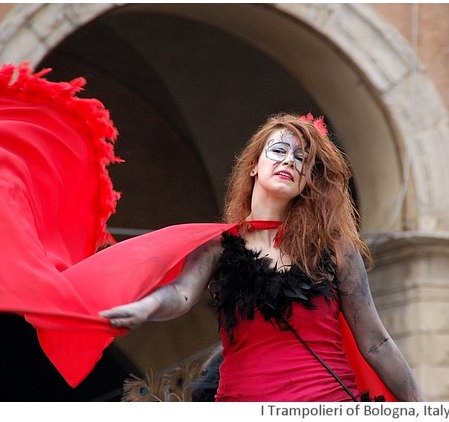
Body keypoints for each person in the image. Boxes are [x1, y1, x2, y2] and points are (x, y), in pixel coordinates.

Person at [100, 112, 425, 402]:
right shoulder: (218, 246)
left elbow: (377, 343)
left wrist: (423, 410)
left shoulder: (336, 249)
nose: (289, 161)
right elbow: (180, 294)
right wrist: (144, 307)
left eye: (301, 158)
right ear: (254, 165)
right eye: (279, 151)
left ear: (308, 180)